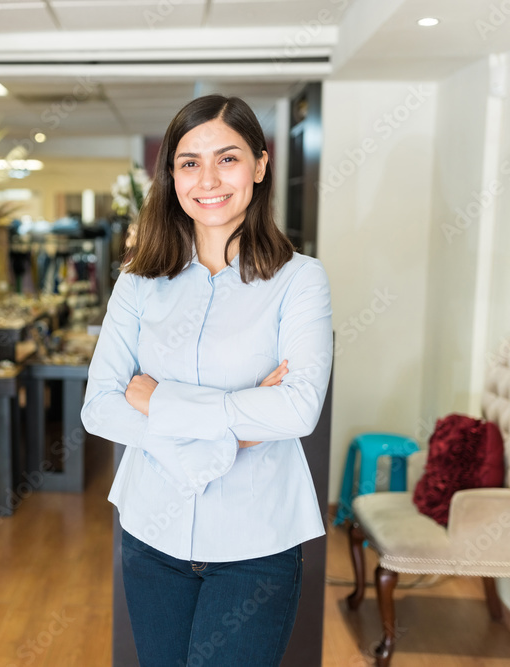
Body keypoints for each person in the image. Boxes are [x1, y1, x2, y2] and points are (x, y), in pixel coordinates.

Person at [80, 95, 333, 667]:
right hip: (151, 535)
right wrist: (235, 427)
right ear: (171, 177)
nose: (209, 179)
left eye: (228, 158)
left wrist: (158, 400)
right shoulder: (139, 283)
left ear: (260, 166)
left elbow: (297, 411)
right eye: (190, 162)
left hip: (257, 545)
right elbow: (99, 407)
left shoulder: (301, 282)